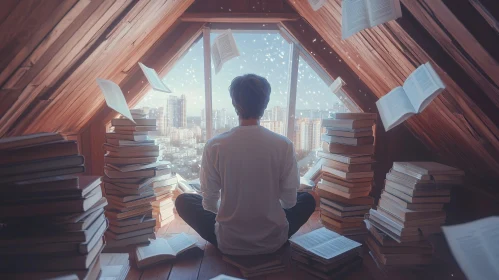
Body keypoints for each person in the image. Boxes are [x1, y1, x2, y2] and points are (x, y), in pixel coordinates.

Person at [175, 74, 316, 255]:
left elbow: (209, 204)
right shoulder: (284, 144)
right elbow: (289, 202)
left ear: (234, 104)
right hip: (274, 241)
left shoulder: (215, 145)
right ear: (265, 105)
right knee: (309, 199)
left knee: (184, 200)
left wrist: (232, 207)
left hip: (228, 242)